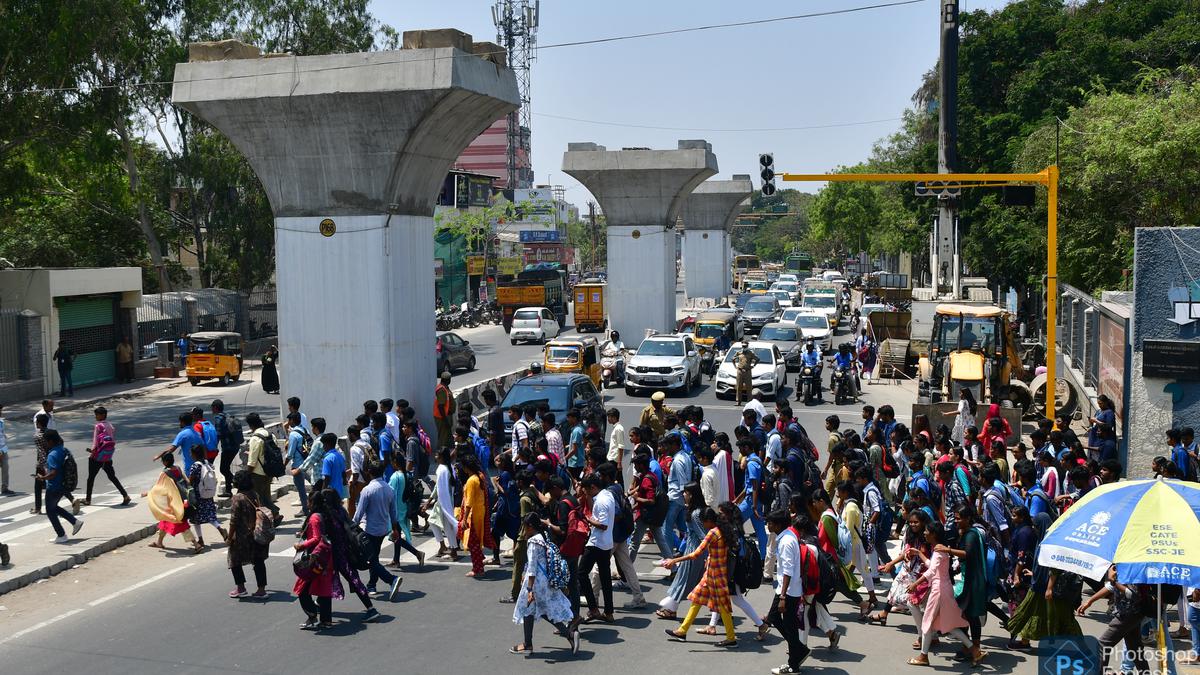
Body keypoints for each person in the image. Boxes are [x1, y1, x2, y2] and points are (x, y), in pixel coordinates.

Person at [662, 506, 738, 648]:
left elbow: (695, 554)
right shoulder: (723, 530)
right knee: (697, 600)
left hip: (715, 575)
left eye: (703, 522)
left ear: (709, 521)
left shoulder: (713, 533)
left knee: (723, 606)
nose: (703, 525)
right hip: (715, 573)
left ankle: (731, 638)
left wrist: (674, 560)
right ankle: (682, 631)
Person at [906, 523, 977, 666]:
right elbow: (933, 566)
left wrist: (915, 584)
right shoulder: (939, 549)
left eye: (926, 531)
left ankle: (923, 656)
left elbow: (931, 572)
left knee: (927, 622)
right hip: (944, 588)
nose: (924, 533)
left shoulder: (939, 550)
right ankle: (975, 650)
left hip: (938, 590)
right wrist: (919, 553)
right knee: (948, 624)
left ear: (934, 534)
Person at [509, 513, 580, 656]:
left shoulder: (533, 542)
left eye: (524, 527)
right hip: (544, 581)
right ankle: (530, 643)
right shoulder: (543, 537)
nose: (523, 530)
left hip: (536, 584)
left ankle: (567, 634)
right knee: (536, 610)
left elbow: (533, 568)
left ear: (529, 527)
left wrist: (529, 589)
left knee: (536, 610)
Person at [1077, 564, 1151, 674]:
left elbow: (1132, 594)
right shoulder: (1121, 564)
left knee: (1102, 645)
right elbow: (1110, 587)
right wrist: (1090, 601)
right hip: (1129, 613)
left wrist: (1114, 580)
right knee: (1134, 648)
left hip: (1128, 614)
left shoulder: (1132, 566)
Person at [766, 510, 811, 674]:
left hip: (788, 592)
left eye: (770, 522)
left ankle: (794, 664)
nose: (768, 525)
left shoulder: (786, 541)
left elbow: (788, 571)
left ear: (777, 525)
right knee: (774, 618)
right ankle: (799, 650)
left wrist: (783, 596)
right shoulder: (787, 537)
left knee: (789, 627)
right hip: (787, 589)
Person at [352, 460, 404, 601]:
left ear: (369, 472)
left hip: (369, 530)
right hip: (382, 529)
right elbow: (393, 513)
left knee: (370, 560)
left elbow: (358, 513)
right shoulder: (389, 489)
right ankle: (372, 585)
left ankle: (391, 579)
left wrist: (351, 527)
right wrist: (394, 529)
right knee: (374, 557)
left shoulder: (367, 490)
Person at [656, 481, 708, 619]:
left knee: (685, 580)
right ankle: (719, 612)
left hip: (695, 552)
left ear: (691, 495)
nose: (684, 494)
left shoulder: (696, 514)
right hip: (692, 551)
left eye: (686, 492)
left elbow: (703, 536)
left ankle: (671, 609)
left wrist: (705, 555)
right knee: (692, 581)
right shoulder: (693, 510)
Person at [293, 490, 337, 630]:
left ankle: (312, 616)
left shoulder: (314, 518)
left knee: (302, 589)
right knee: (324, 589)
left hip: (315, 559)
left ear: (312, 502)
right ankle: (326, 621)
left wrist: (301, 545)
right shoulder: (325, 515)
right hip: (326, 558)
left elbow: (316, 538)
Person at [578, 474, 616, 623]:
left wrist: (588, 519)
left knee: (581, 573)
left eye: (587, 491)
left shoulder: (601, 501)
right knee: (605, 578)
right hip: (606, 543)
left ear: (593, 487)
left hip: (596, 543)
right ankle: (609, 612)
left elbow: (603, 524)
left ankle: (593, 608)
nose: (586, 494)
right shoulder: (607, 495)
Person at [226, 470, 268, 599]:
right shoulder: (254, 494)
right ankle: (261, 590)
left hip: (242, 536)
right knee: (258, 560)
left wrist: (229, 537)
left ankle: (241, 588)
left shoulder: (238, 498)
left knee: (233, 559)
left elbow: (233, 520)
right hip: (256, 533)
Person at [38, 430, 83, 543]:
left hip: (54, 487)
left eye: (45, 441)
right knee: (54, 508)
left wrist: (42, 478)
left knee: (50, 510)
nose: (44, 444)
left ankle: (61, 535)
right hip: (62, 485)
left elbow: (53, 473)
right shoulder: (63, 449)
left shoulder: (52, 454)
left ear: (51, 441)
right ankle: (75, 522)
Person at [80, 406, 129, 506]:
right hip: (107, 456)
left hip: (97, 456)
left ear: (102, 415)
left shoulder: (98, 426)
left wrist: (92, 451)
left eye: (97, 415)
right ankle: (125, 495)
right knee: (112, 477)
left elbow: (95, 441)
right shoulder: (110, 426)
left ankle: (88, 499)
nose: (96, 417)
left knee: (91, 478)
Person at [144, 451, 191, 550]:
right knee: (164, 521)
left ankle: (196, 544)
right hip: (181, 499)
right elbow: (186, 481)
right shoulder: (178, 468)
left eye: (162, 461)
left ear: (165, 462)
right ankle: (159, 542)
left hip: (172, 502)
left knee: (181, 524)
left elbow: (158, 487)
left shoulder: (165, 473)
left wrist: (148, 493)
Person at [385, 452, 424, 568]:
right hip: (403, 509)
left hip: (395, 511)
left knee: (395, 535)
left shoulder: (395, 477)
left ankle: (417, 553)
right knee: (398, 535)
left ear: (395, 462)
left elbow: (390, 494)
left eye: (392, 461)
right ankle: (396, 560)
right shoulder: (407, 475)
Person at [187, 446, 226, 552]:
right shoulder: (207, 463)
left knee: (196, 519)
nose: (190, 455)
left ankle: (200, 540)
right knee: (210, 516)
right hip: (208, 494)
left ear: (194, 454)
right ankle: (220, 529)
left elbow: (190, 481)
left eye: (191, 453)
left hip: (198, 496)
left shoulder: (195, 466)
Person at [459, 453, 492, 577]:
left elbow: (469, 503)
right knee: (476, 541)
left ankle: (478, 569)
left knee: (473, 543)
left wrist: (464, 519)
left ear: (467, 467)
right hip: (480, 513)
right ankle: (479, 563)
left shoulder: (471, 480)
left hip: (472, 516)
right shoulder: (480, 476)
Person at [424, 447, 459, 560]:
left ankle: (451, 549)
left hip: (443, 502)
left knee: (446, 526)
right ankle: (444, 546)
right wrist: (430, 500)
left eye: (437, 455)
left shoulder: (442, 469)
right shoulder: (447, 467)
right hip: (444, 501)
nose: (435, 457)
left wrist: (430, 502)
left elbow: (440, 489)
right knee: (435, 522)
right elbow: (438, 487)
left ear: (442, 457)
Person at [244, 413, 280, 522]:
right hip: (269, 471)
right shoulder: (270, 435)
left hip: (258, 473)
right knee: (266, 496)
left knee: (259, 498)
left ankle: (275, 514)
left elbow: (252, 462)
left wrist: (247, 475)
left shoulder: (255, 438)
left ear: (250, 425)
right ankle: (271, 518)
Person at [165, 411, 201, 476]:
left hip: (190, 467)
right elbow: (203, 448)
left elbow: (171, 450)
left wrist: (160, 455)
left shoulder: (182, 434)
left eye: (180, 422)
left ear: (182, 422)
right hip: (200, 466)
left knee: (191, 485)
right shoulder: (197, 433)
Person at [433, 371, 455, 451]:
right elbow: (441, 406)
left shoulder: (445, 387)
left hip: (446, 416)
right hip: (442, 417)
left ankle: (450, 453)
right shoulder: (442, 390)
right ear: (448, 380)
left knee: (448, 436)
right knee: (443, 438)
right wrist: (445, 420)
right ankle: (439, 455)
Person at [733, 341, 760, 406]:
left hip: (747, 371)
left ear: (747, 346)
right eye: (743, 346)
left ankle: (749, 402)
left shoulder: (750, 353)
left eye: (745, 346)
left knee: (749, 387)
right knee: (739, 387)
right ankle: (738, 401)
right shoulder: (739, 352)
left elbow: (757, 359)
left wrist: (753, 366)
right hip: (740, 371)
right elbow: (733, 359)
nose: (744, 347)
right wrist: (735, 366)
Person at [606, 408, 625, 475]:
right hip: (611, 458)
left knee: (617, 480)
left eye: (609, 417)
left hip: (614, 460)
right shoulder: (616, 428)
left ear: (614, 417)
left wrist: (619, 462)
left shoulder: (619, 429)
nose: (608, 419)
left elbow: (621, 446)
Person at [0, 403, 9, 497]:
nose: (0, 412)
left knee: (5, 468)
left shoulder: (1, 421)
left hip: (3, 448)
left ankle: (5, 488)